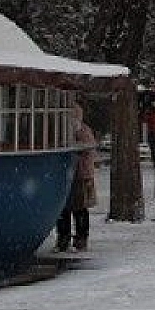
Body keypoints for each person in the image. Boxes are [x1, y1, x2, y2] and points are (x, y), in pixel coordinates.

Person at [54, 100, 97, 252]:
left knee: (79, 209)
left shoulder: (84, 132)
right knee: (64, 209)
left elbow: (87, 150)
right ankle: (63, 237)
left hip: (80, 176)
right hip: (68, 176)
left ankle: (80, 238)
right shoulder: (63, 132)